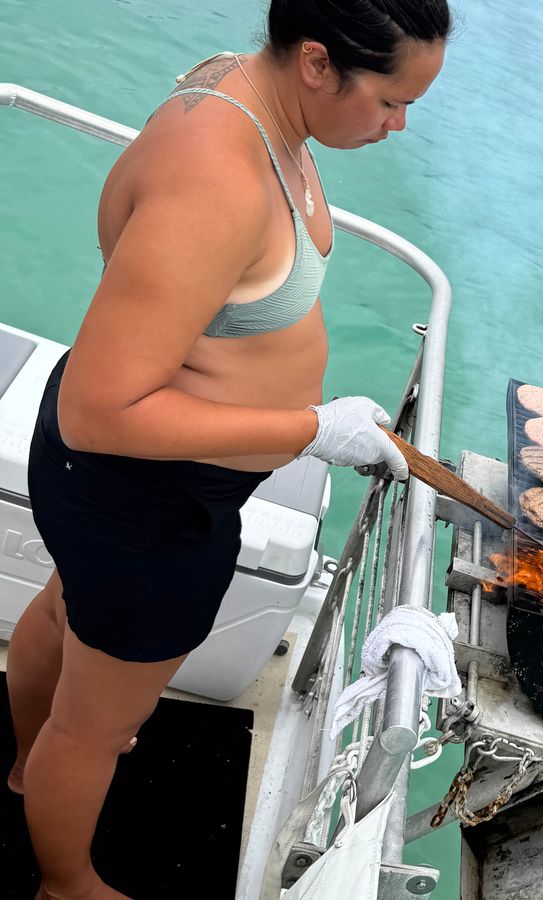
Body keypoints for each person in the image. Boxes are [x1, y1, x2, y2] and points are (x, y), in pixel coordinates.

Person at [5, 1, 451, 896]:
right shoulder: (219, 176)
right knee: (92, 731)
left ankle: (25, 769)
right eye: (391, 101)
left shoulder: (234, 85)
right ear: (317, 63)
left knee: (65, 612)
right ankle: (63, 881)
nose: (398, 126)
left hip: (122, 490)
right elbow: (101, 412)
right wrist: (312, 429)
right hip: (145, 498)